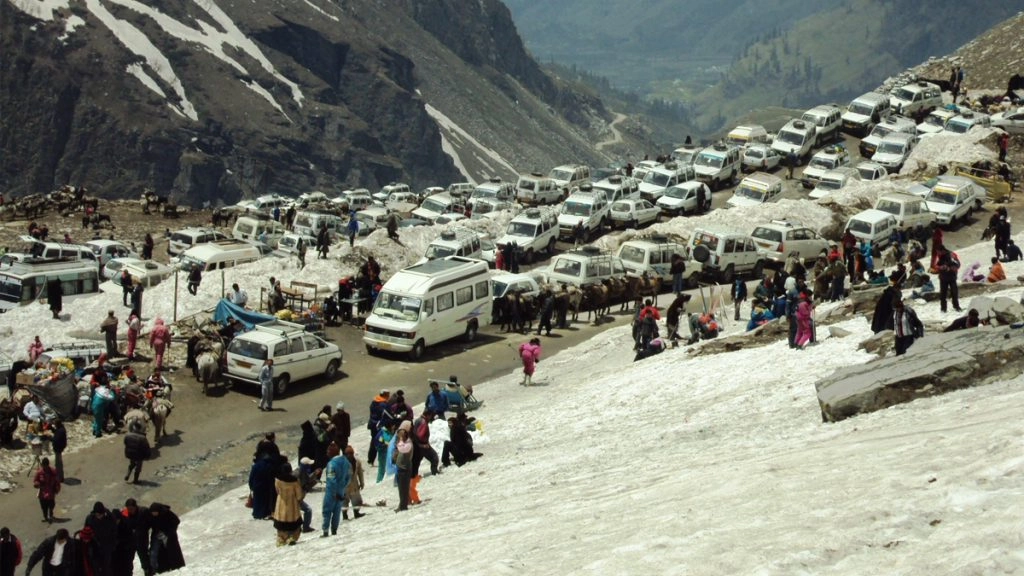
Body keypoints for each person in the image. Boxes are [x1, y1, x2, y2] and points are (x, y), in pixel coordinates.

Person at [321, 449, 351, 536]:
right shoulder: (346, 462)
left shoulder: (331, 464)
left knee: (327, 511)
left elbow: (331, 479)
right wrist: (343, 487)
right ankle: (334, 530)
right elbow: (349, 477)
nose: (327, 453)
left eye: (328, 451)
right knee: (337, 512)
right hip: (341, 491)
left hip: (331, 492)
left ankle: (325, 531)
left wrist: (334, 492)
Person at [146, 503, 184, 574]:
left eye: (155, 512)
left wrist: (169, 531)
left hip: (169, 535)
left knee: (172, 551)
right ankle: (162, 568)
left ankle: (176, 566)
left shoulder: (167, 513)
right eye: (152, 512)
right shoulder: (151, 515)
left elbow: (176, 521)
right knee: (158, 552)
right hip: (157, 535)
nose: (154, 514)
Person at [273, 463, 304, 547]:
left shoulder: (277, 480)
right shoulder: (295, 481)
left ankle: (281, 539)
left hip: (281, 505)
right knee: (293, 524)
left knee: (281, 524)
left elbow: (277, 491)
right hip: (292, 506)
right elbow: (299, 495)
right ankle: (291, 538)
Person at [84, 503, 117, 576]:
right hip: (95, 548)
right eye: (97, 515)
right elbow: (86, 531)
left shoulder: (110, 518)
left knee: (106, 567)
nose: (99, 517)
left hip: (107, 547)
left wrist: (112, 545)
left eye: (100, 515)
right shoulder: (90, 519)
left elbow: (114, 532)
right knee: (96, 568)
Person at [393, 421, 413, 512]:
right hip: (401, 468)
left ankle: (403, 506)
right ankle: (402, 505)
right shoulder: (403, 442)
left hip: (405, 468)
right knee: (401, 488)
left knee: (404, 488)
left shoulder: (408, 443)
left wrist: (401, 439)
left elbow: (402, 449)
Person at [366, 389, 390, 466]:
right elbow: (385, 415)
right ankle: (383, 460)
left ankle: (370, 459)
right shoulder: (383, 404)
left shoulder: (374, 402)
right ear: (385, 395)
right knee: (383, 442)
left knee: (373, 441)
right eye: (388, 394)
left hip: (372, 425)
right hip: (379, 426)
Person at [341, 446, 365, 520]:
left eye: (351, 453)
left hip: (354, 485)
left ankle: (356, 513)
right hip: (344, 486)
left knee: (357, 500)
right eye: (347, 454)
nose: (349, 455)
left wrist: (362, 483)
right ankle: (344, 515)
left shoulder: (357, 462)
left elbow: (360, 473)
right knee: (344, 501)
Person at [34, 457, 60, 523]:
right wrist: (37, 484)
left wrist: (57, 488)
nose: (45, 467)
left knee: (51, 504)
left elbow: (57, 481)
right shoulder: (39, 472)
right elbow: (36, 480)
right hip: (42, 493)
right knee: (44, 506)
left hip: (51, 492)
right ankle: (45, 517)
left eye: (46, 465)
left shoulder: (53, 471)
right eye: (44, 465)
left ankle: (50, 514)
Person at [935, 247, 962, 313]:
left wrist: (949, 268)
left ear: (942, 250)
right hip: (943, 278)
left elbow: (957, 265)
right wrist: (940, 267)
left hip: (952, 277)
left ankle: (956, 306)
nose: (938, 253)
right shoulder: (940, 257)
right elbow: (936, 265)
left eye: (938, 252)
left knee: (954, 293)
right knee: (943, 294)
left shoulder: (951, 255)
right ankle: (943, 308)